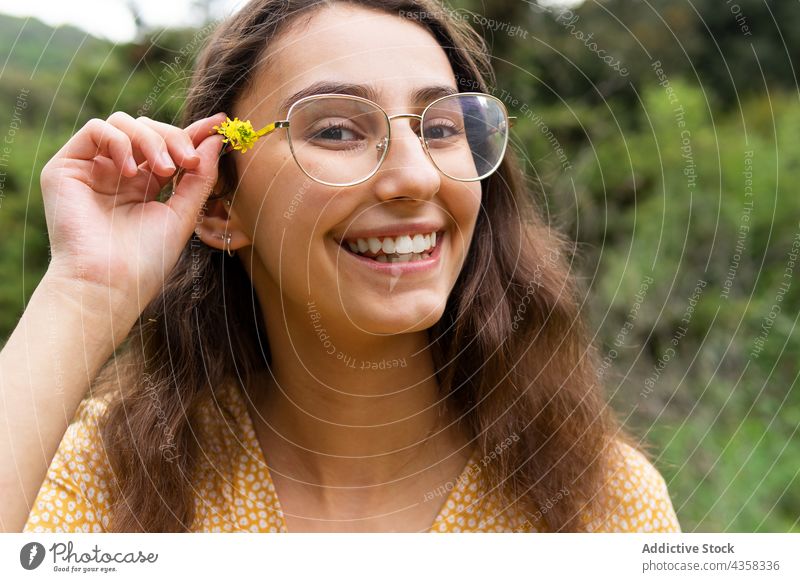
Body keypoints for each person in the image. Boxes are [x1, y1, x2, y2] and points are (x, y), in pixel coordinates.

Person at [1, 0, 680, 533]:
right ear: (219, 206)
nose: (414, 177)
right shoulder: (105, 483)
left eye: (441, 128)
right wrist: (84, 291)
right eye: (335, 130)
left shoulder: (598, 504)